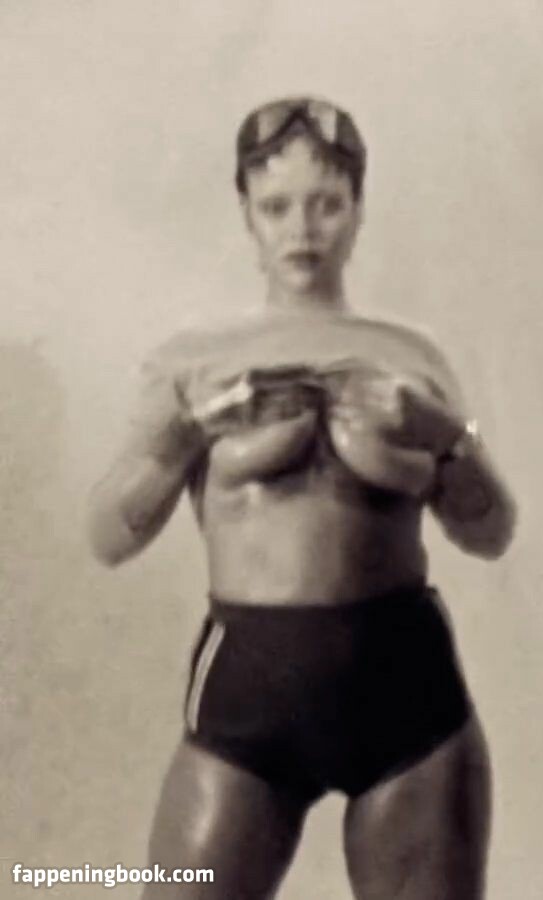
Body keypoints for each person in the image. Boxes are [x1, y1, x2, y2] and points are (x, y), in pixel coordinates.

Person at [87, 97, 517, 900]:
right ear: (247, 215)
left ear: (358, 210)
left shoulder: (411, 358)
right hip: (248, 696)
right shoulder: (192, 362)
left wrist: (447, 435)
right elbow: (108, 536)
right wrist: (188, 430)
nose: (303, 229)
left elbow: (491, 530)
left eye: (327, 204)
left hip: (410, 699)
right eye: (277, 207)